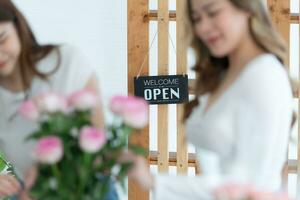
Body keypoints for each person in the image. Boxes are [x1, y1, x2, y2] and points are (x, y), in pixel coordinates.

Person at [124, 0, 294, 199]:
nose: (203, 27)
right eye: (197, 18)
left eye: (212, 13)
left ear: (247, 8)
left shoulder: (263, 75)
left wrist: (153, 180)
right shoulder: (223, 75)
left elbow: (246, 186)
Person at [0, 1, 118, 199]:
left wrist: (48, 172)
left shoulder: (66, 62)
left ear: (19, 28)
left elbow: (99, 145)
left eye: (2, 39)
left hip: (88, 189)